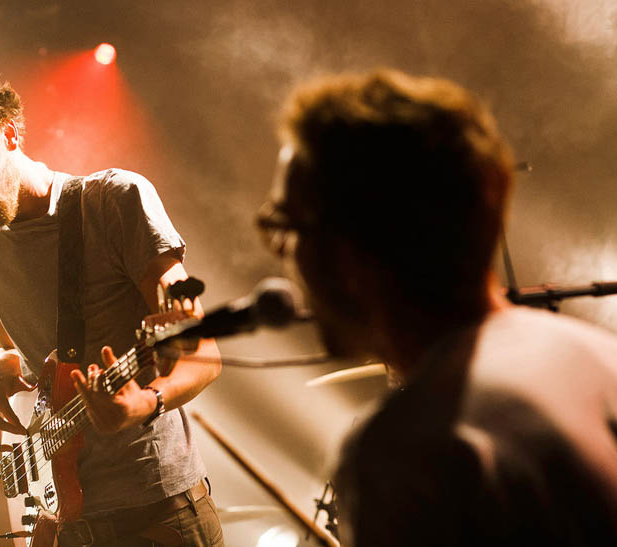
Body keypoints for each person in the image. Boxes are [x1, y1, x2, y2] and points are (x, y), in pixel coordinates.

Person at [258, 69, 617, 545]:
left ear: (347, 249)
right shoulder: (596, 356)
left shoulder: (407, 452)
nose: (284, 260)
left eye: (286, 226)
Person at [0, 73, 223, 547]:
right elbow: (14, 349)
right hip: (62, 518)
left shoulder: (114, 201)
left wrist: (145, 402)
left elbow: (200, 349)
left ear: (9, 133)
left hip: (154, 512)